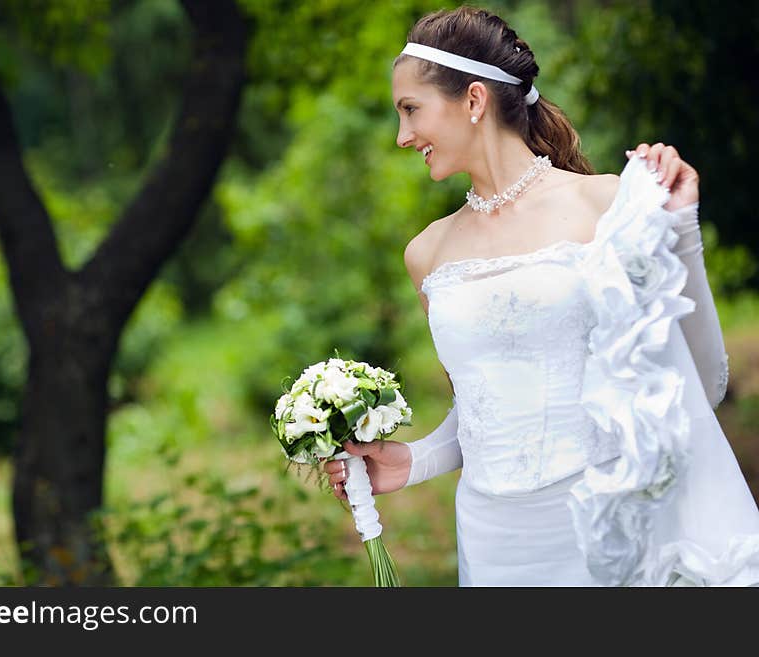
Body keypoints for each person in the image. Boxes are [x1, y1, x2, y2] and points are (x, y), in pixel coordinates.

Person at [322, 5, 759, 586]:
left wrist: (681, 232)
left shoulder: (606, 206)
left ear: (473, 100)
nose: (403, 136)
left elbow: (703, 381)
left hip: (602, 529)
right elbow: (480, 411)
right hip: (493, 542)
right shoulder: (426, 253)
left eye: (410, 110)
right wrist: (414, 460)